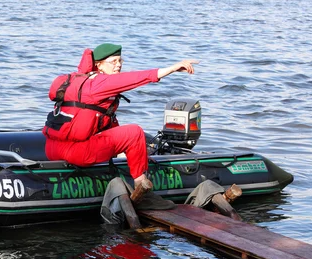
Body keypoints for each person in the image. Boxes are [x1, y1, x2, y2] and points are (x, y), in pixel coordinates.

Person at [42, 43, 198, 188]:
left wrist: (138, 154)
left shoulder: (79, 81)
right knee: (134, 132)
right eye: (113, 61)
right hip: (76, 153)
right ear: (99, 65)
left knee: (124, 136)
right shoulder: (100, 83)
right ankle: (141, 185)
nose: (119, 65)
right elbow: (136, 78)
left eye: (120, 60)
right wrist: (172, 68)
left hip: (52, 149)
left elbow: (105, 123)